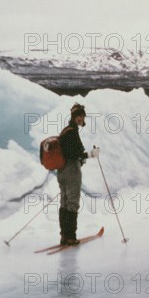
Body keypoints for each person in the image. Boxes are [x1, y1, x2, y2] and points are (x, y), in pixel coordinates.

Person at [57, 103, 100, 246]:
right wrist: (91, 154)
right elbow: (74, 154)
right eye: (80, 116)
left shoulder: (65, 131)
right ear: (76, 117)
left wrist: (83, 156)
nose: (82, 119)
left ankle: (64, 236)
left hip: (61, 171)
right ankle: (71, 237)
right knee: (73, 203)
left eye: (83, 116)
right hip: (71, 171)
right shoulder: (72, 132)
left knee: (64, 202)